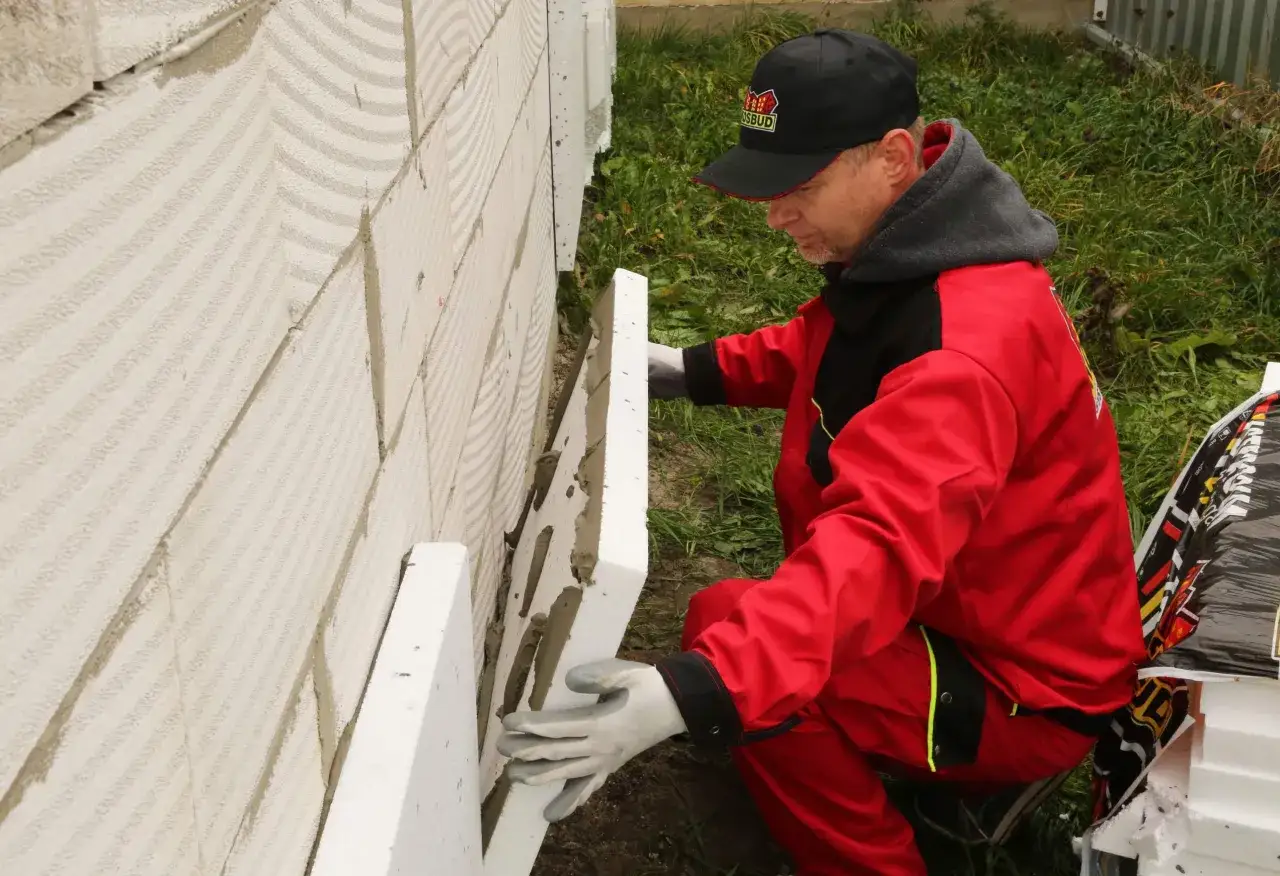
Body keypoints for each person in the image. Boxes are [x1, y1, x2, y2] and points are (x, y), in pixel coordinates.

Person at [496, 28, 1146, 876]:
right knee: (731, 633)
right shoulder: (929, 256)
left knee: (739, 653)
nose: (775, 214)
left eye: (799, 185)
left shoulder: (960, 355)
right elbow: (824, 346)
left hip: (1024, 692)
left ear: (893, 157)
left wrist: (690, 692)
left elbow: (875, 548)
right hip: (984, 623)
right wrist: (684, 372)